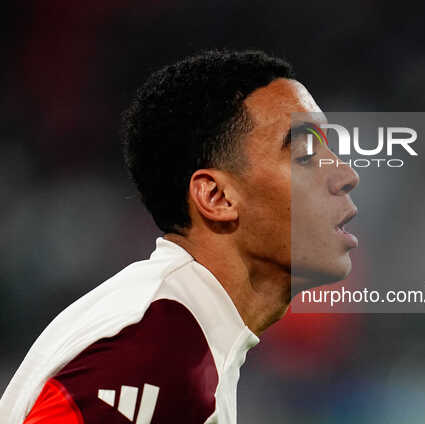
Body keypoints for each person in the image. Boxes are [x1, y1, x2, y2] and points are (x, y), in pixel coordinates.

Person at [0, 50, 359, 424]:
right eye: (305, 154)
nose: (347, 175)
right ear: (217, 197)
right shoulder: (157, 347)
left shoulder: (181, 333)